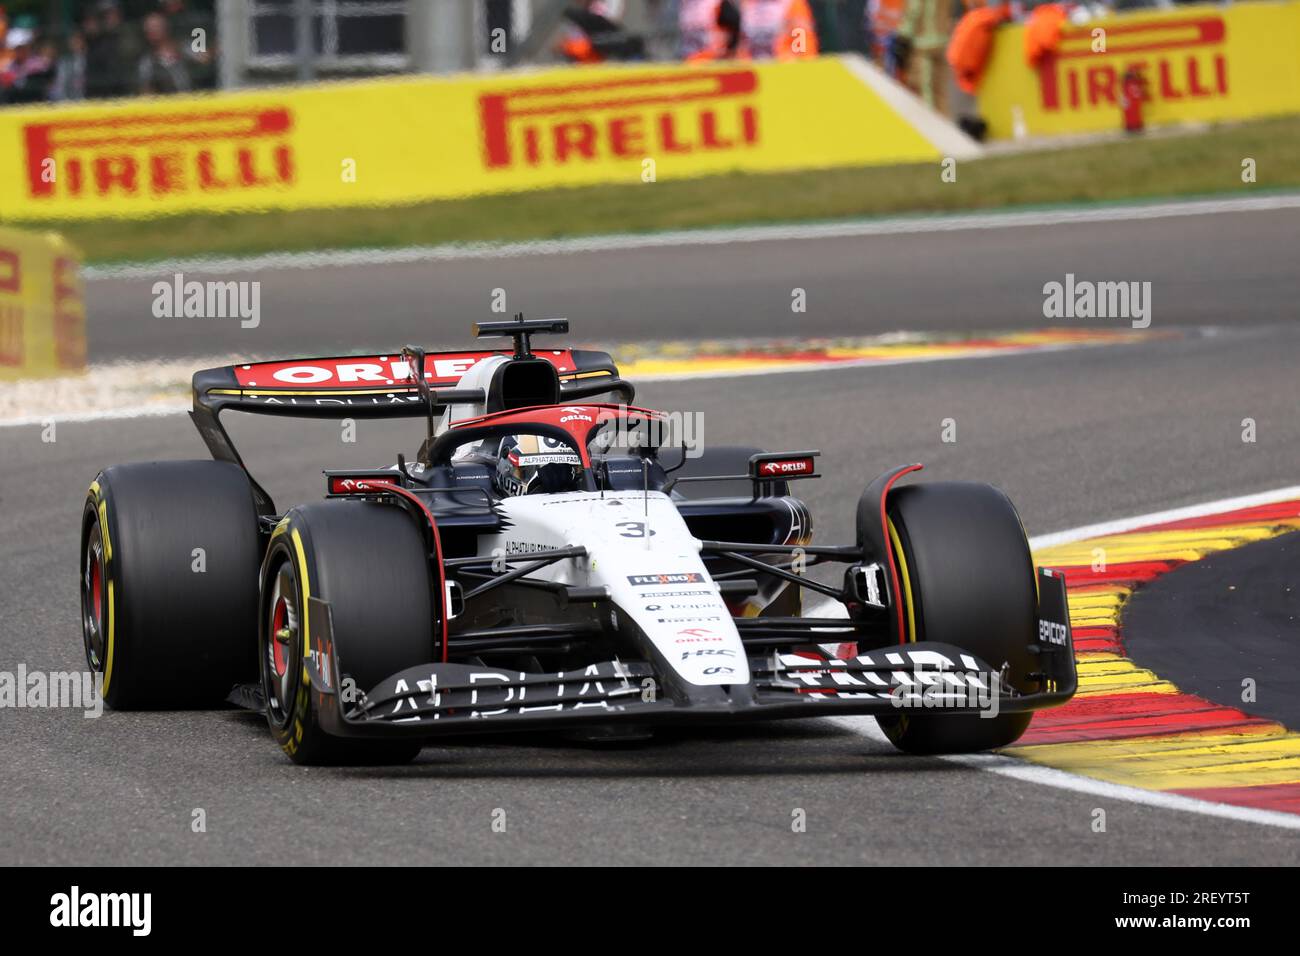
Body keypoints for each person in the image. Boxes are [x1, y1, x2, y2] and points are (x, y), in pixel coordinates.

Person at [738, 0, 820, 60]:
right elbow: (743, 42)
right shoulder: (747, 4)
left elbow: (803, 39)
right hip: (754, 69)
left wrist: (795, 58)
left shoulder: (793, 3)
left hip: (784, 68)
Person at [137, 11, 192, 94]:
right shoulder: (147, 62)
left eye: (155, 27)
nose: (151, 32)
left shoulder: (184, 48)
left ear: (165, 28)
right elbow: (145, 92)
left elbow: (206, 57)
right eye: (148, 29)